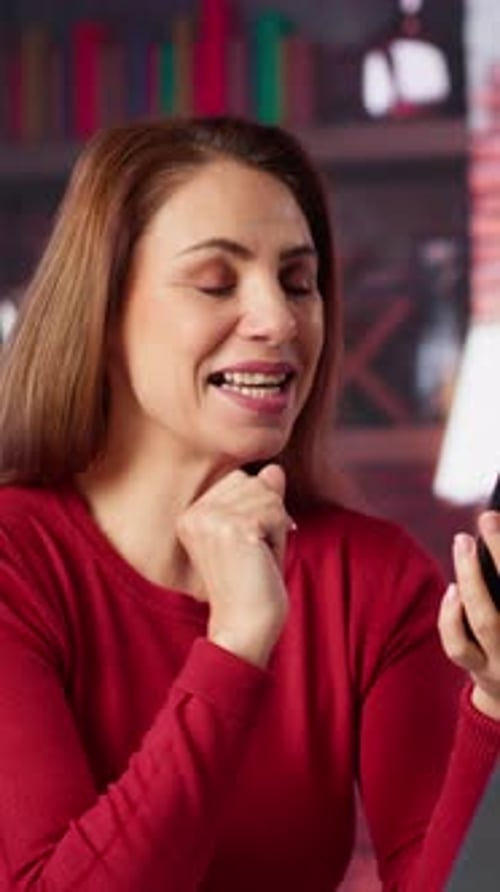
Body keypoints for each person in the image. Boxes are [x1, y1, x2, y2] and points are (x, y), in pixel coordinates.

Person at [0, 116, 498, 892]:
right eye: (215, 283)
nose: (280, 320)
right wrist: (235, 647)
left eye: (299, 283)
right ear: (101, 314)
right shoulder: (15, 561)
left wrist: (493, 704)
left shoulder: (371, 576)